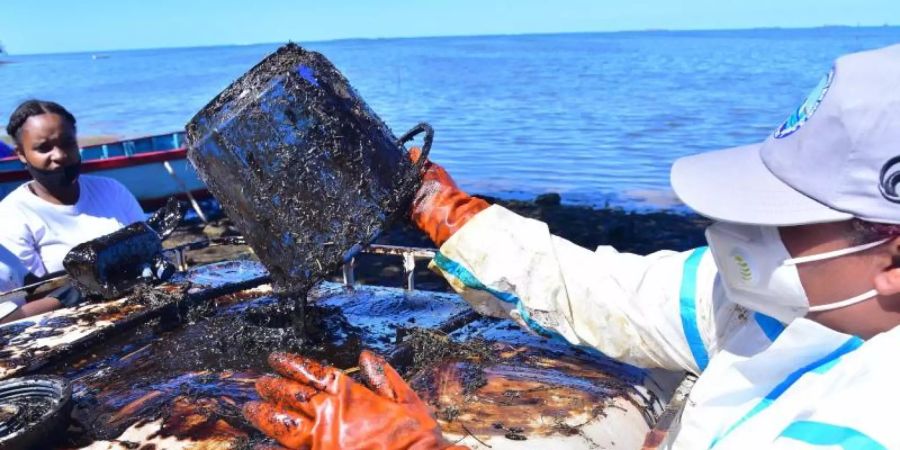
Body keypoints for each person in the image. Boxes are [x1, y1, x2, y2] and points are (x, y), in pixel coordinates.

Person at [243, 46, 900, 448]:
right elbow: (602, 295)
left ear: (893, 258)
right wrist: (446, 213)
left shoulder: (872, 422)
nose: (739, 228)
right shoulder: (785, 303)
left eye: (781, 215)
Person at [0, 100, 145, 278]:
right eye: (44, 148)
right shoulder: (12, 216)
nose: (60, 155)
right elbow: (32, 292)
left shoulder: (111, 190)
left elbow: (150, 248)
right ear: (21, 154)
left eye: (67, 143)